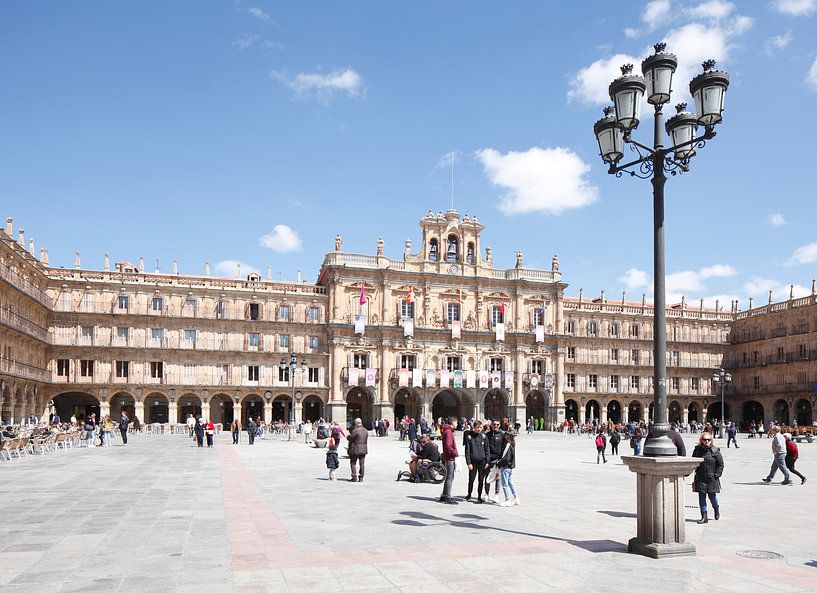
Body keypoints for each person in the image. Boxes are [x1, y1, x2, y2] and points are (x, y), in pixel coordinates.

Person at [692, 432, 723, 523]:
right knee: (701, 497)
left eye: (708, 439)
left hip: (712, 477)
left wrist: (717, 474)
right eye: (705, 439)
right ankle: (704, 516)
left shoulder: (715, 451)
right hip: (701, 477)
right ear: (701, 440)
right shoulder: (697, 450)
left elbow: (720, 464)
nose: (707, 441)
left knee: (712, 496)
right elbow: (693, 462)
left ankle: (716, 509)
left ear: (711, 440)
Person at [464, 420, 489, 502]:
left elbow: (487, 450)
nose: (479, 429)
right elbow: (467, 451)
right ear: (474, 427)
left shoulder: (484, 437)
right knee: (471, 479)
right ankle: (469, 494)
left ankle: (479, 496)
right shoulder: (469, 437)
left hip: (482, 462)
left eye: (480, 427)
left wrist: (487, 462)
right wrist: (468, 463)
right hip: (473, 462)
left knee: (481, 479)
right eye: (477, 427)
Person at [438, 416, 459, 504]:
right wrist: (455, 454)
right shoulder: (449, 432)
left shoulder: (447, 431)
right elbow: (449, 446)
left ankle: (444, 495)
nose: (457, 424)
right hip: (450, 457)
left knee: (448, 477)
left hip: (447, 456)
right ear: (453, 422)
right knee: (450, 477)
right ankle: (447, 496)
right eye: (456, 422)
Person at [497, 430, 519, 506]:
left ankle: (507, 499)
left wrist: (499, 463)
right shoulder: (512, 444)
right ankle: (516, 498)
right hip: (510, 466)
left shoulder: (508, 445)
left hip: (506, 466)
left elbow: (506, 458)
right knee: (510, 482)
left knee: (504, 484)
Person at [485, 420, 504, 502]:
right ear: (491, 425)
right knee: (487, 477)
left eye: (497, 424)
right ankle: (486, 494)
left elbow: (504, 447)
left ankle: (496, 495)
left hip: (497, 459)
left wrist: (502, 459)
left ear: (499, 425)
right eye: (494, 424)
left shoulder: (502, 435)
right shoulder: (487, 435)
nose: (496, 426)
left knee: (497, 478)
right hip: (488, 459)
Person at [346, 418, 368, 482]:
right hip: (363, 449)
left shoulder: (356, 431)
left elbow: (350, 438)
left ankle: (354, 477)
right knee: (362, 464)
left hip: (355, 449)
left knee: (353, 463)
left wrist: (348, 436)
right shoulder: (365, 430)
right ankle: (361, 477)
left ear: (356, 423)